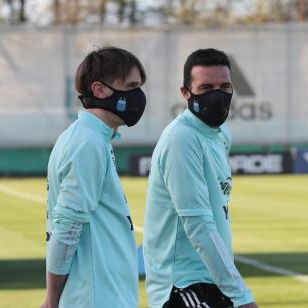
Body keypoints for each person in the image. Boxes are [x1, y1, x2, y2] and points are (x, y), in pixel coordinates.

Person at [143, 48, 258, 308]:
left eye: (225, 86)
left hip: (210, 281)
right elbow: (198, 224)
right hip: (183, 285)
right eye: (206, 88)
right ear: (186, 93)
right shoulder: (181, 139)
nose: (217, 95)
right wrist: (242, 296)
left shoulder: (220, 134)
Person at [42, 46, 147, 308]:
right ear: (100, 90)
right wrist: (51, 300)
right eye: (131, 86)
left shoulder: (91, 139)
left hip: (102, 294)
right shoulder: (87, 143)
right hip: (96, 297)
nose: (139, 96)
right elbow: (66, 227)